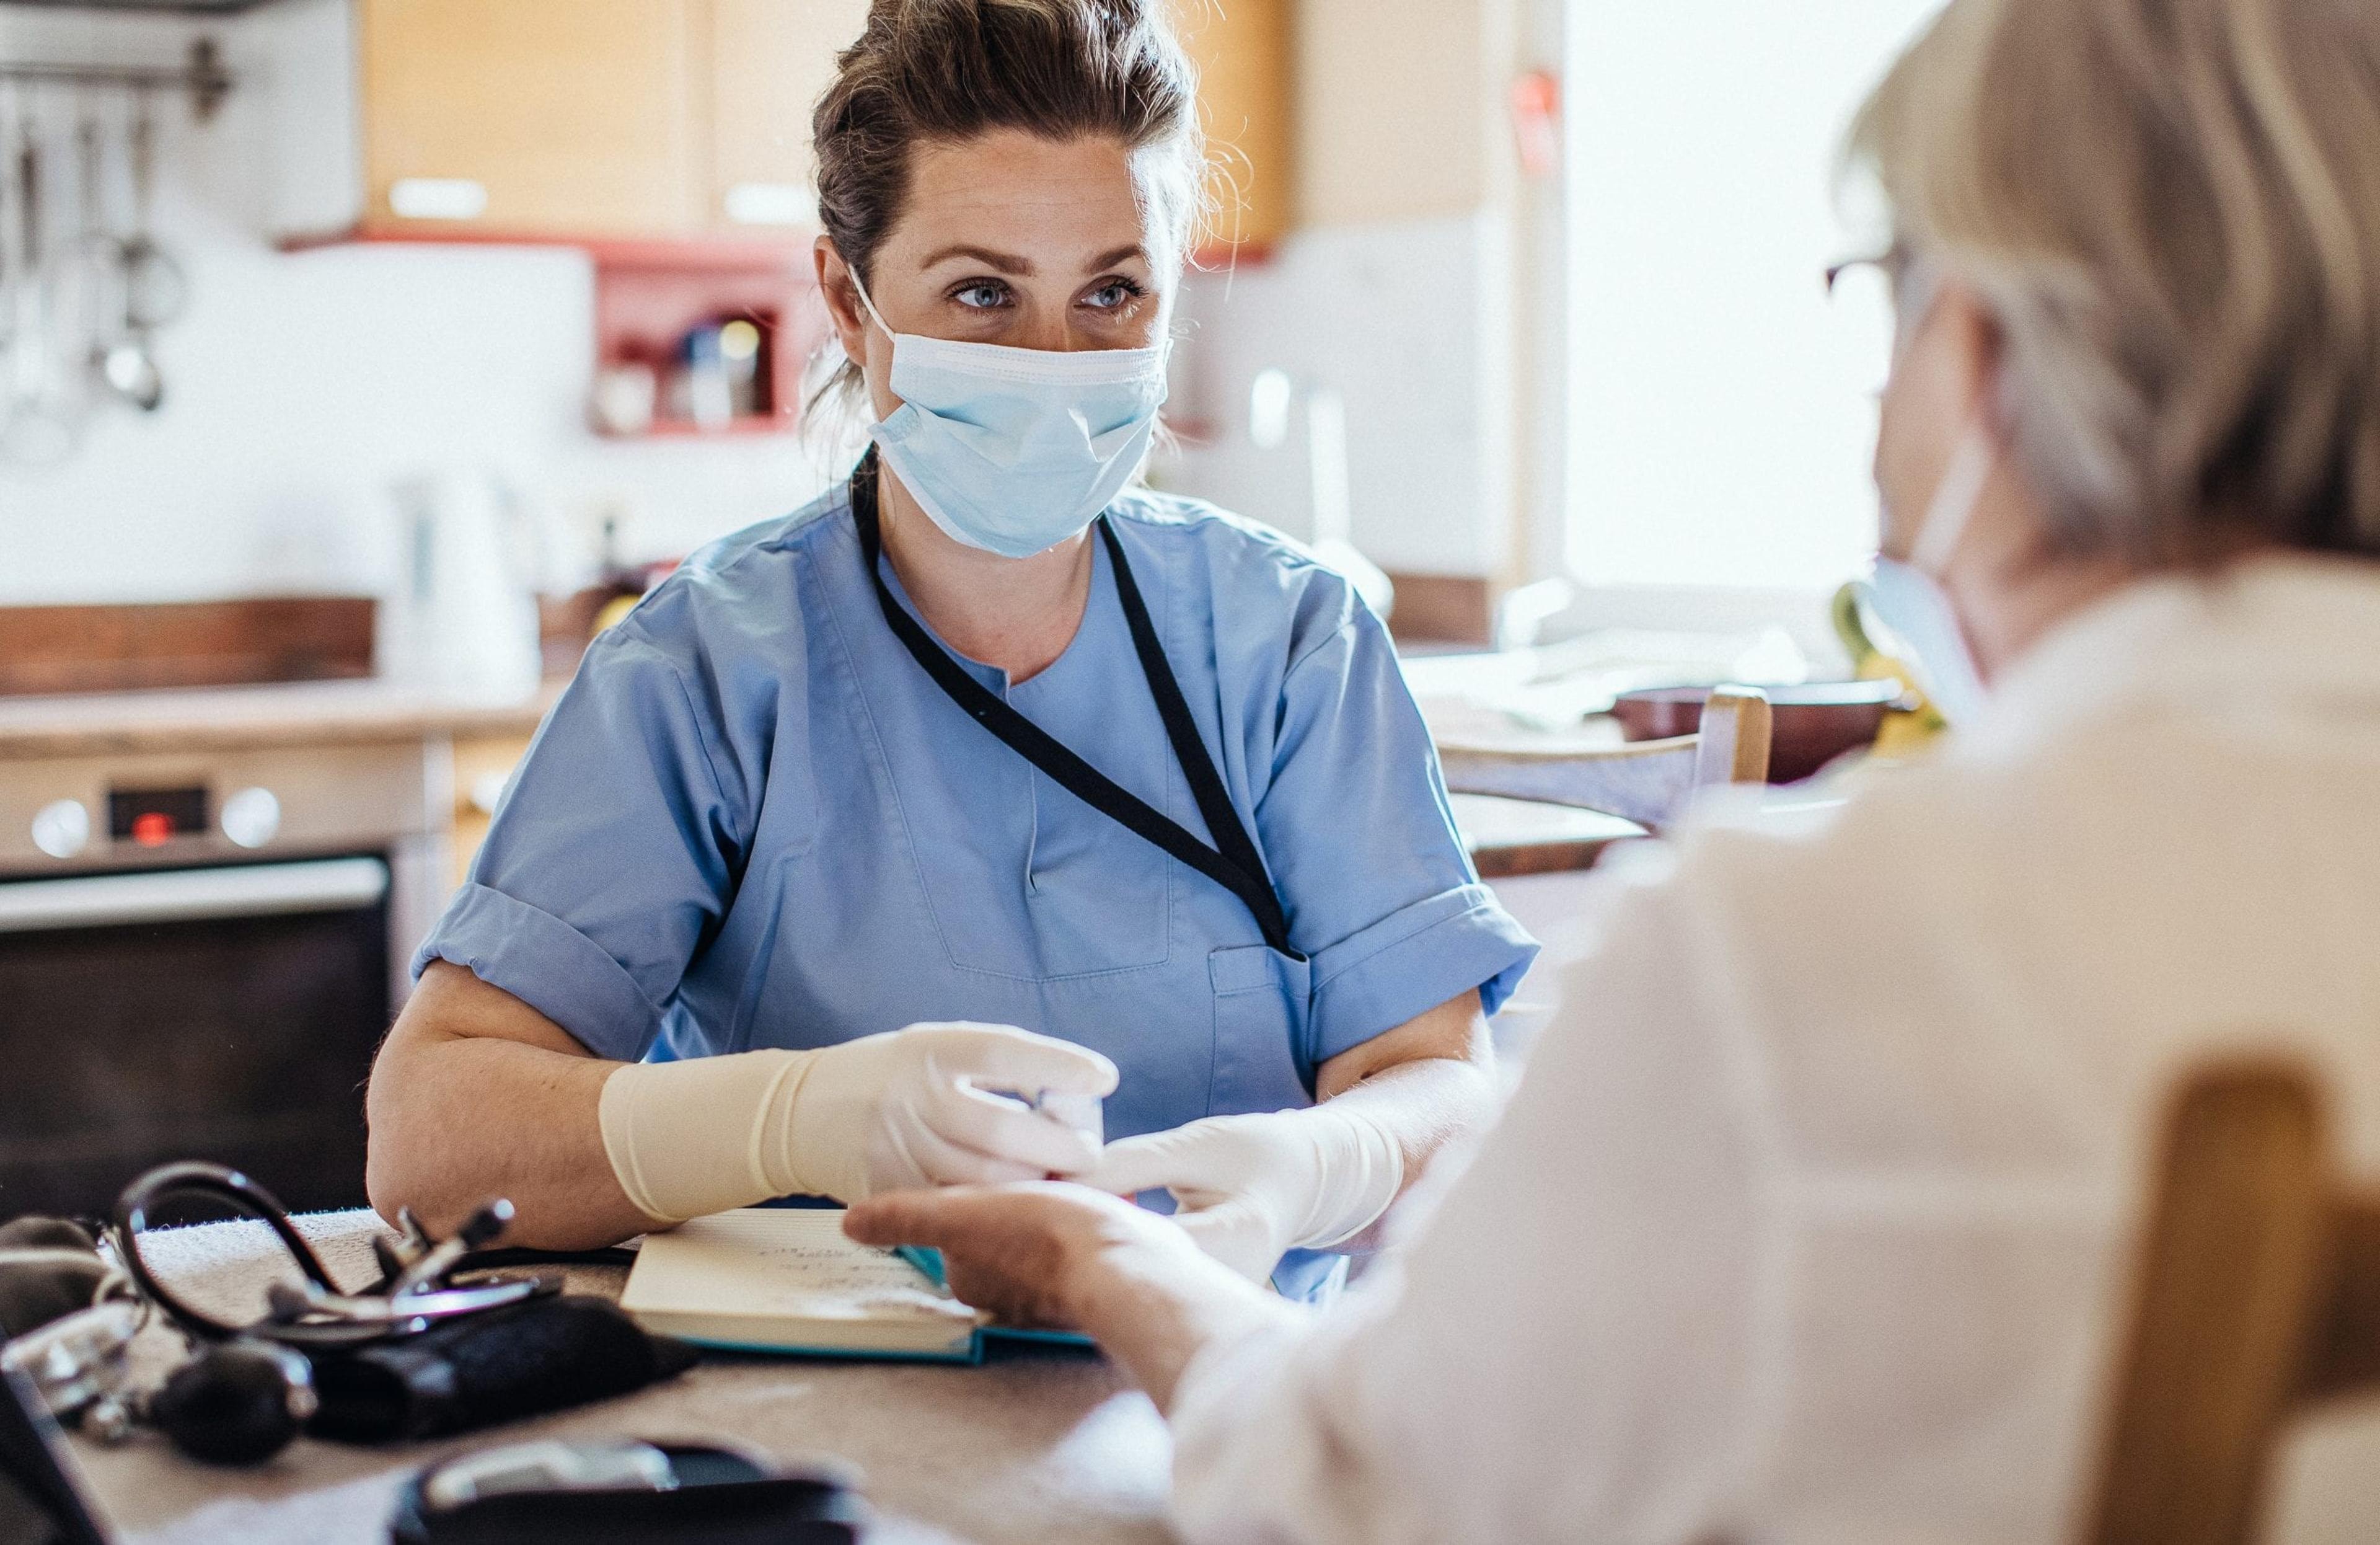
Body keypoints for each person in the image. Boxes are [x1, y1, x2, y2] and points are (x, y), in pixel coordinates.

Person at [843, 0, 2380, 1536]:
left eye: (1886, 292)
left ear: (1975, 344)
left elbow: (1356, 1497)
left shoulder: (1795, 953)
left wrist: (1120, 1267)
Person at [363, 0, 1537, 1297]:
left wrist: (1312, 1169)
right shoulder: (704, 670)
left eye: (1112, 292)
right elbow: (431, 1138)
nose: (1055, 361)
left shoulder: (1292, 646)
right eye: (982, 292)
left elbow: (1432, 1082)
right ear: (847, 302)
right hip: (820, 1421)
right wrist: (790, 1117)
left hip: (1221, 1405)